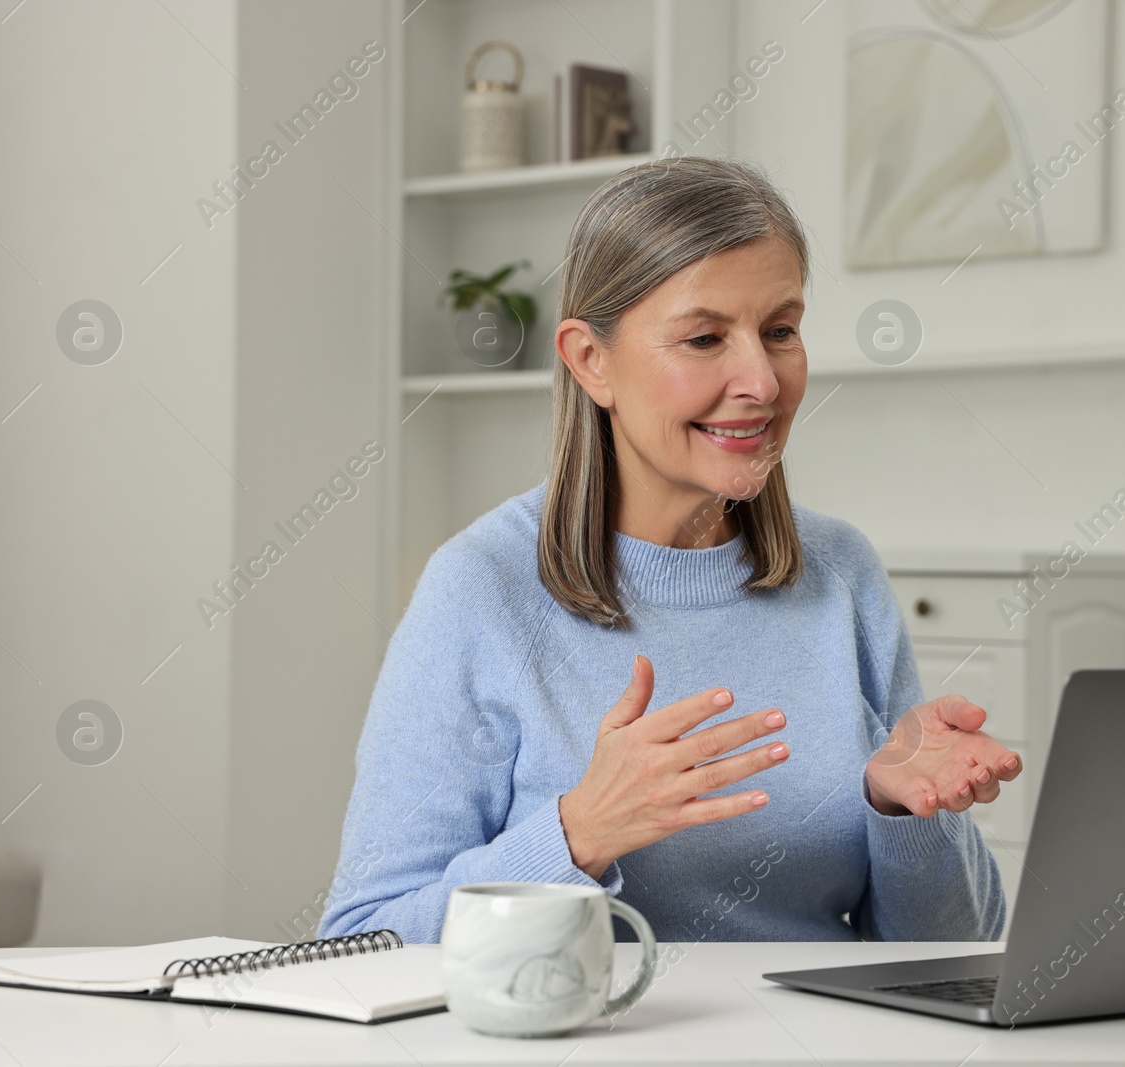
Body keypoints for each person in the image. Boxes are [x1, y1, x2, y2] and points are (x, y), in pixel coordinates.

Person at [319, 156, 1020, 945]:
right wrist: (577, 834)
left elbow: (954, 952)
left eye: (780, 330)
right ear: (591, 360)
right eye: (704, 337)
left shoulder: (841, 573)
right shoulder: (479, 588)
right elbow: (362, 940)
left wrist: (903, 813)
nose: (761, 378)